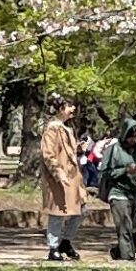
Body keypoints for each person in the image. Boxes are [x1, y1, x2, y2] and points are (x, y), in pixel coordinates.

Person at [40, 98, 86, 261]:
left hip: (73, 178)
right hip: (59, 178)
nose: (73, 109)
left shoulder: (67, 129)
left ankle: (65, 242)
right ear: (60, 109)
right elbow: (48, 155)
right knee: (57, 212)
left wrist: (78, 149)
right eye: (69, 106)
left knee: (81, 209)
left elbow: (68, 152)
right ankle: (53, 248)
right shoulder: (52, 129)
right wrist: (58, 173)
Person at [101, 117, 136, 260]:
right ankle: (127, 258)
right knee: (124, 227)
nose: (133, 140)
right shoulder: (113, 150)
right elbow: (105, 172)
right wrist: (124, 170)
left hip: (135, 193)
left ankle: (118, 251)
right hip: (118, 192)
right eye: (130, 136)